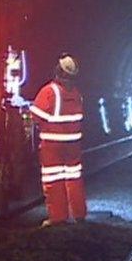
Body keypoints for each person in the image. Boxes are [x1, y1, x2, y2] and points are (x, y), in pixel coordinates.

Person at [29, 53, 86, 227]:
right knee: (74, 178)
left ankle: (58, 217)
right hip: (73, 145)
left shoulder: (50, 91)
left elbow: (35, 116)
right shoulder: (76, 93)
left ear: (58, 71)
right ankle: (79, 214)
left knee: (53, 180)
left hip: (52, 146)